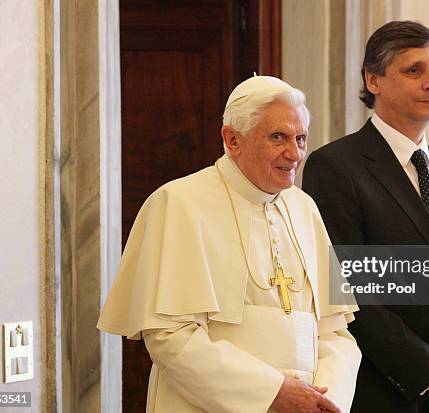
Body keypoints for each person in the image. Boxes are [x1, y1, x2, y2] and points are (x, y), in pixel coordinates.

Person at [98, 76, 361, 413]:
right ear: (232, 139)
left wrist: (327, 402)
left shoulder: (305, 207)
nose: (294, 153)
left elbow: (336, 334)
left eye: (300, 138)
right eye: (278, 137)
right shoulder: (179, 203)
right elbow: (170, 338)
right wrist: (272, 393)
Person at [302, 21, 429, 413]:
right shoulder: (335, 167)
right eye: (414, 70)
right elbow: (351, 295)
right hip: (383, 396)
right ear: (373, 80)